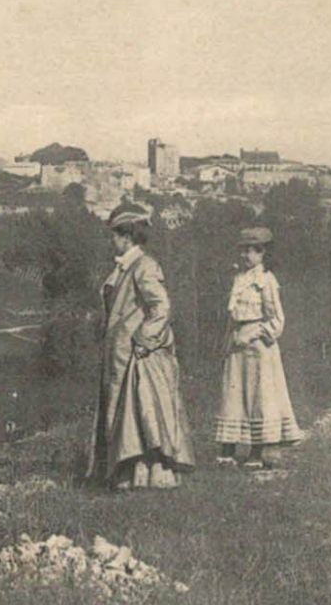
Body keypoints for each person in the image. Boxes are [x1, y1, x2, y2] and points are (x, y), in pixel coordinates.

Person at [88, 201, 196, 490]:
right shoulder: (124, 268)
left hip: (138, 357)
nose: (112, 241)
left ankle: (149, 475)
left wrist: (143, 339)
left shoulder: (144, 266)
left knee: (142, 415)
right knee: (126, 416)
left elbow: (161, 306)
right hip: (119, 356)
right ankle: (125, 475)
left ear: (127, 236)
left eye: (115, 235)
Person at [214, 227, 305, 468]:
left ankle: (257, 452)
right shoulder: (238, 279)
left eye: (251, 251)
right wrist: (229, 339)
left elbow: (276, 319)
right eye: (242, 251)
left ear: (262, 253)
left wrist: (255, 334)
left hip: (258, 347)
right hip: (237, 345)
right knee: (233, 395)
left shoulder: (266, 281)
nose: (245, 256)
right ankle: (228, 450)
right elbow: (232, 316)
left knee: (258, 398)